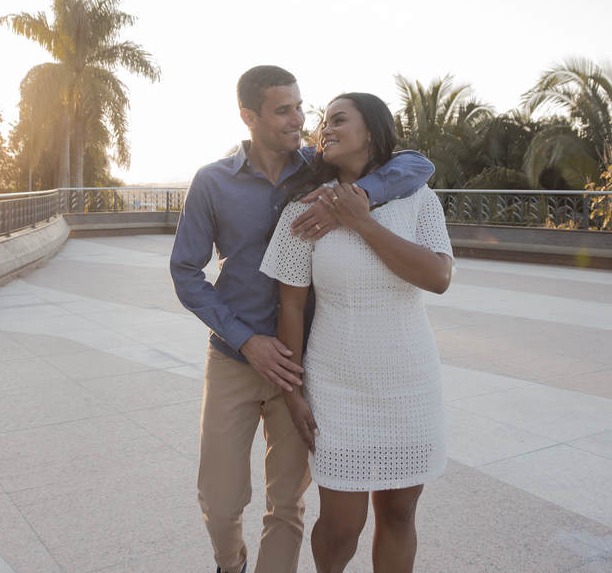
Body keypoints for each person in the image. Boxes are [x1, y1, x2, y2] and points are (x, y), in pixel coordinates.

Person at [170, 66, 434, 573]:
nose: (300, 119)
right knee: (220, 502)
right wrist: (248, 341)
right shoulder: (212, 182)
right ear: (249, 116)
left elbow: (417, 164)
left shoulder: (320, 168)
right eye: (283, 109)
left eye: (300, 106)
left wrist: (356, 201)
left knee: (287, 503)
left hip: (304, 362)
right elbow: (186, 273)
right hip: (234, 356)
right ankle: (231, 563)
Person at [259, 92, 453, 573]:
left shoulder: (417, 200)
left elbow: (438, 277)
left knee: (400, 511)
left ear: (372, 131)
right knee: (342, 527)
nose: (323, 128)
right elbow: (291, 304)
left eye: (338, 119)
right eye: (322, 121)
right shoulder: (303, 211)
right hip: (336, 387)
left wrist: (361, 220)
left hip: (410, 384)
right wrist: (293, 391)